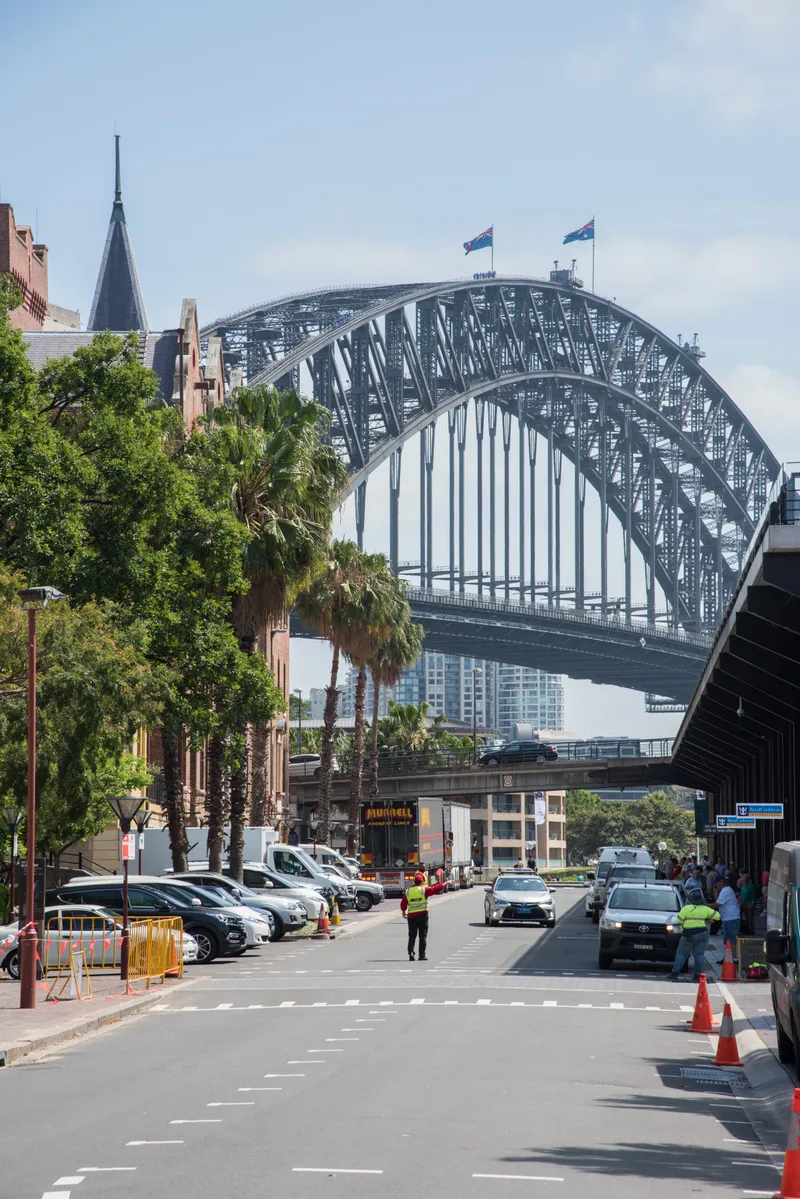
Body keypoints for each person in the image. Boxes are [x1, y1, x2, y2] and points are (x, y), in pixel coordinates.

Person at [669, 887, 721, 981]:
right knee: (699, 954)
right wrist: (708, 920)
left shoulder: (686, 909)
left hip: (688, 934)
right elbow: (717, 916)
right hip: (702, 933)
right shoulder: (705, 909)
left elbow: (679, 921)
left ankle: (674, 974)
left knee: (681, 954)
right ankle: (697, 976)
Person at [400, 872, 445, 961]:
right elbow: (435, 889)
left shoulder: (408, 891)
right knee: (422, 936)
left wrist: (403, 912)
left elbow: (403, 904)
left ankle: (411, 952)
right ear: (422, 881)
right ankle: (422, 955)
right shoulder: (424, 890)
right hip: (422, 916)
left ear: (414, 881)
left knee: (412, 936)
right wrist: (445, 883)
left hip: (412, 917)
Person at [716, 876, 741, 959]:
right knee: (727, 940)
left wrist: (705, 905)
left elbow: (717, 904)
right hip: (727, 918)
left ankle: (734, 957)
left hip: (731, 918)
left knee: (732, 939)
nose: (716, 885)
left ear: (722, 882)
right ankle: (727, 958)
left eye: (716, 883)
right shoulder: (725, 890)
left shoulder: (725, 890)